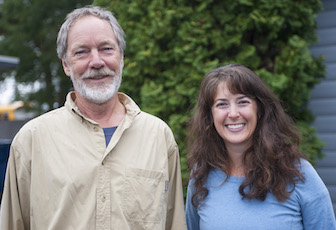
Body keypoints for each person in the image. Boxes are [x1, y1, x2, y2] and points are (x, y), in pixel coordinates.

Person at [0, 6, 187, 230]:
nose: (96, 62)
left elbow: (173, 223)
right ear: (66, 65)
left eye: (106, 49)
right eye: (81, 52)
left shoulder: (158, 136)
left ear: (122, 59)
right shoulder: (31, 141)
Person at [185, 64, 336, 230]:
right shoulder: (201, 175)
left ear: (260, 110)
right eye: (222, 104)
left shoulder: (298, 173)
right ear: (210, 116)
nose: (233, 114)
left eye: (243, 102)